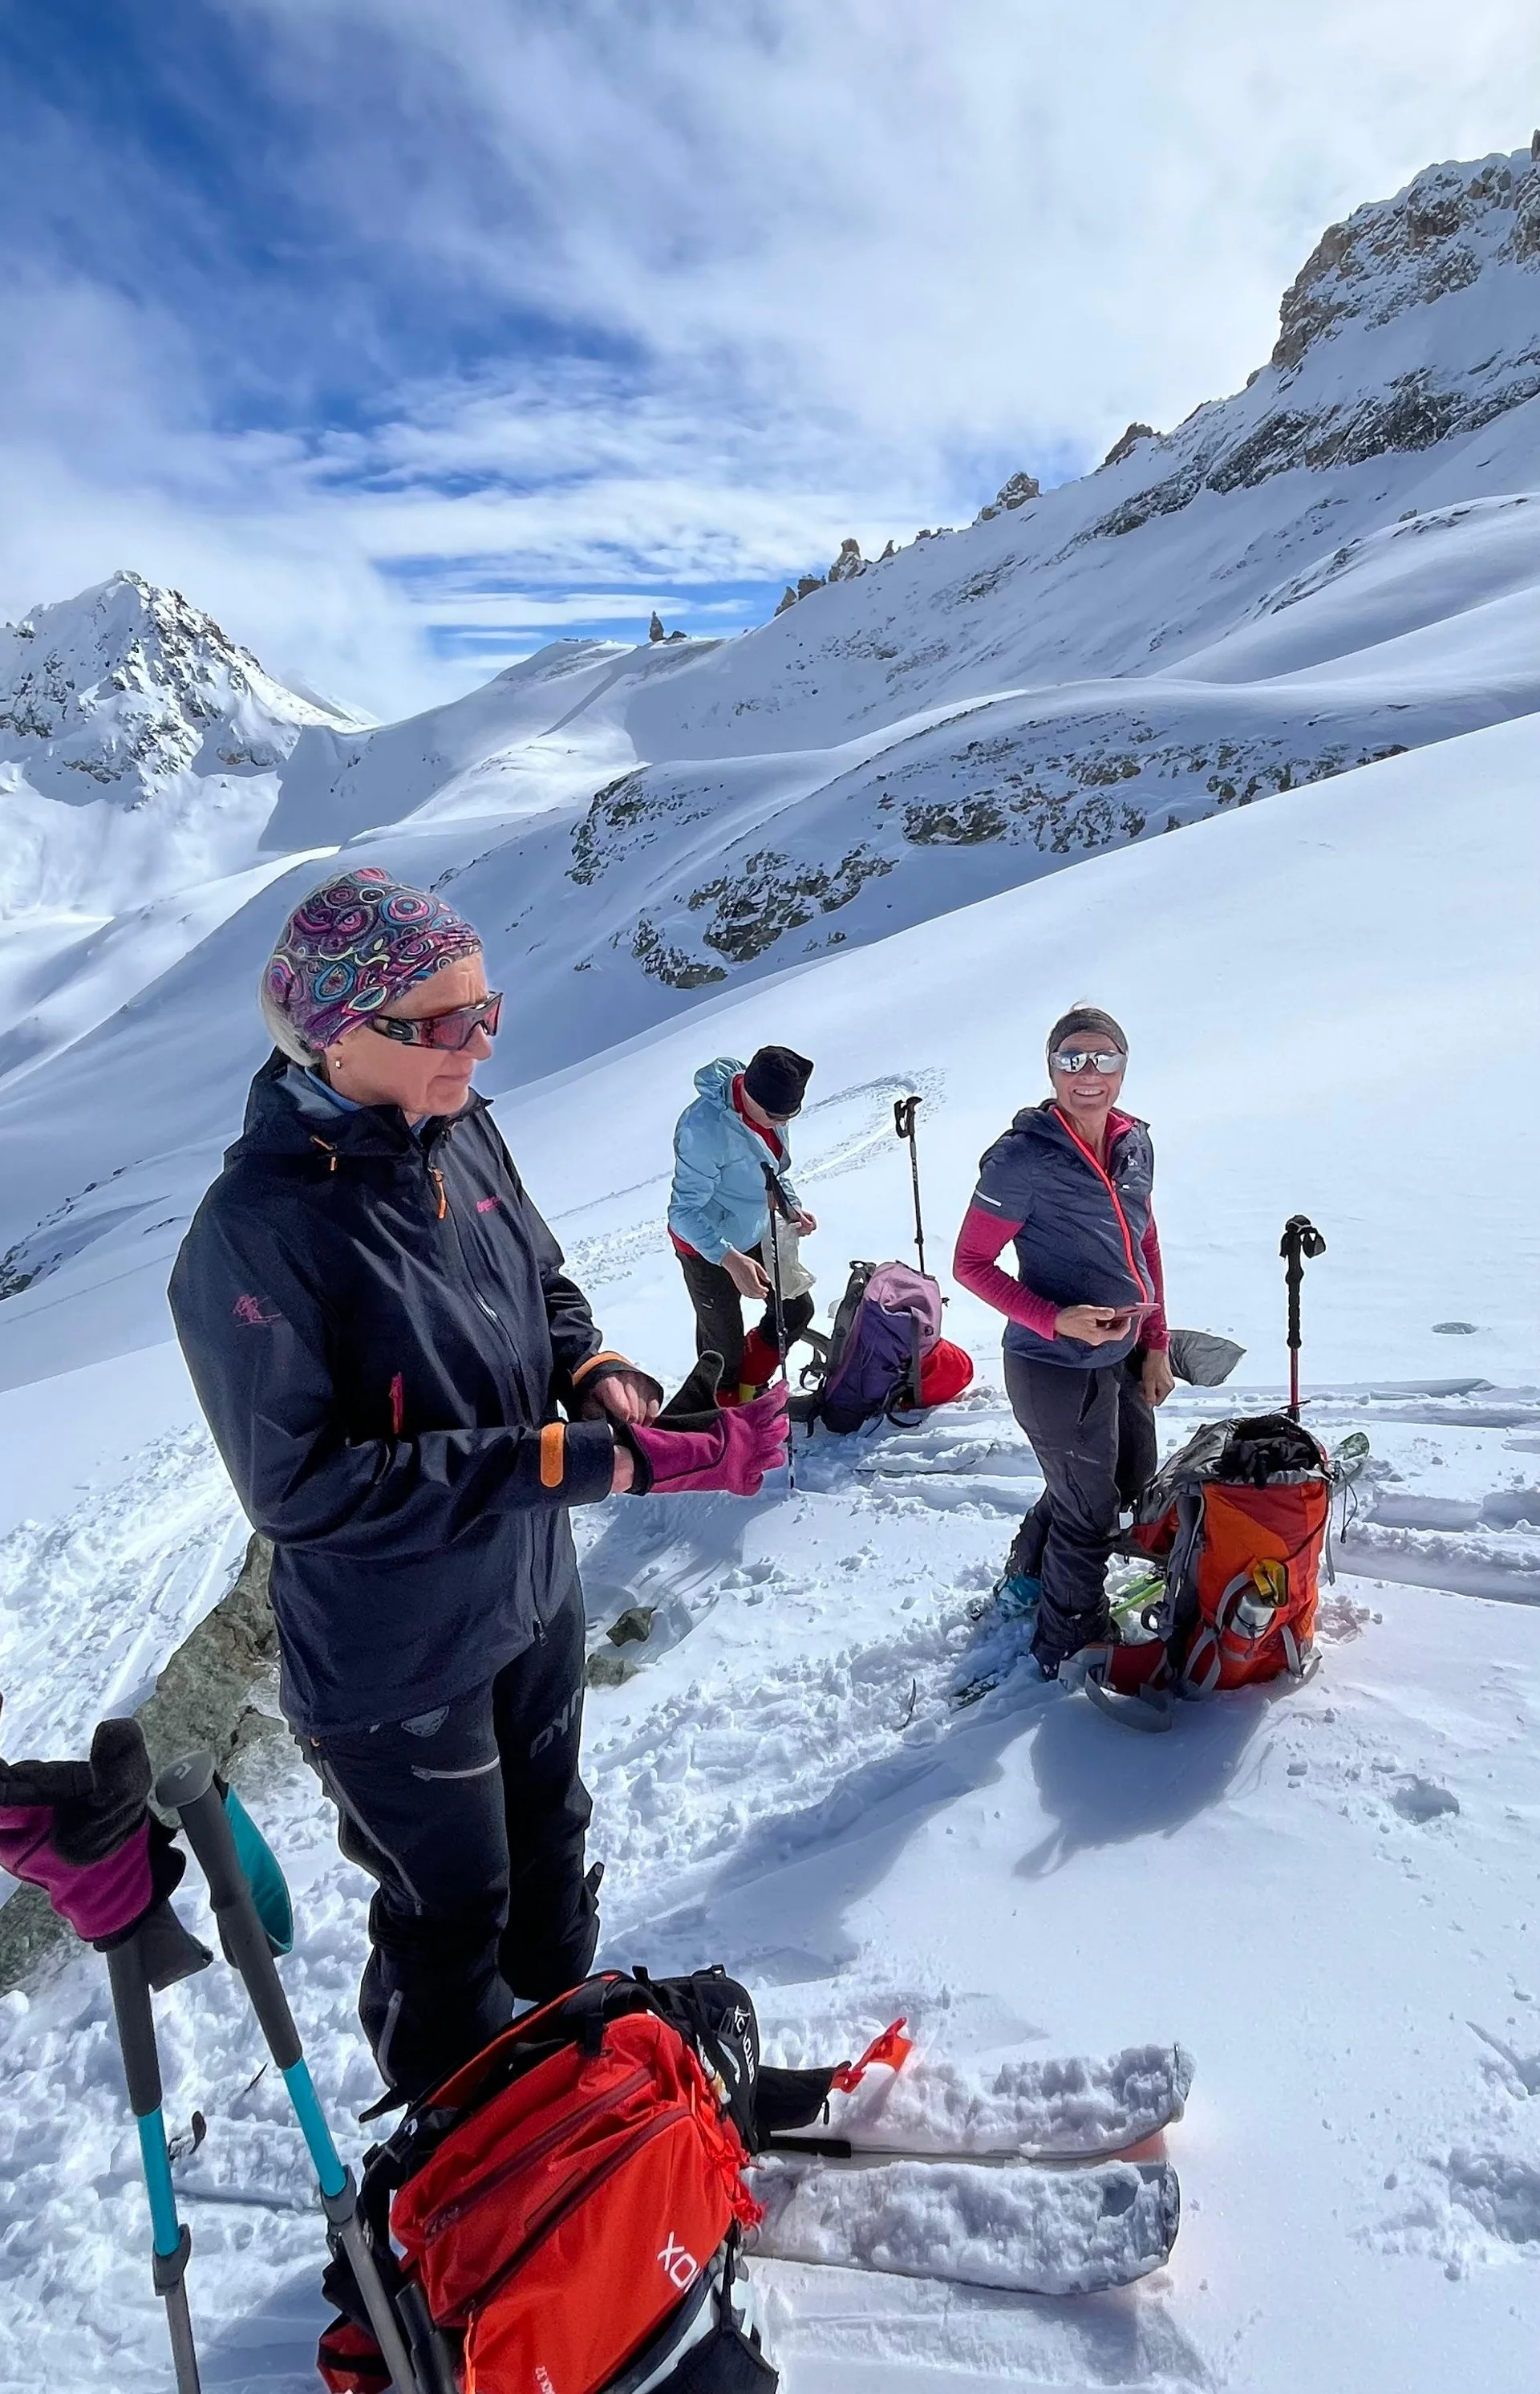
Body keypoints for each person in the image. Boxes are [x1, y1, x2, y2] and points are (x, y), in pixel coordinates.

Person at [168, 867, 786, 2106]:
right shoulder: (252, 1234)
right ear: (338, 1033)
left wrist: (598, 1371)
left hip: (526, 1593)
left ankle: (572, 2105)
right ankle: (461, 2161)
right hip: (397, 1662)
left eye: (486, 1012)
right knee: (456, 1912)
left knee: (554, 1861)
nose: (479, 1045)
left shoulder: (462, 1126)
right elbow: (301, 1490)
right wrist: (568, 1461)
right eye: (444, 1025)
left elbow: (541, 1283)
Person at [951, 1005, 1175, 1678]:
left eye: (1103, 1059)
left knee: (1126, 1480)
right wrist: (1056, 1319)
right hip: (1049, 1363)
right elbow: (970, 1265)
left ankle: (1026, 1580)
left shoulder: (1136, 1144)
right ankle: (1067, 1642)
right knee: (1091, 1508)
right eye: (1072, 1059)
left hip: (1122, 1353)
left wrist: (1156, 1341)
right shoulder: (1021, 1159)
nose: (1088, 1074)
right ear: (1051, 1069)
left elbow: (1146, 1242)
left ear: (1123, 1067)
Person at [668, 1045, 819, 1401]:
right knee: (722, 1352)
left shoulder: (770, 1111)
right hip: (706, 1247)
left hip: (754, 1227)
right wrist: (730, 1259)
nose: (781, 1124)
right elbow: (682, 1212)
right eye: (775, 1116)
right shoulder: (703, 1130)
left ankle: (751, 1384)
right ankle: (723, 1415)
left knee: (795, 1309)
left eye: (790, 1116)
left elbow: (771, 1170)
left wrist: (790, 1207)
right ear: (749, 1093)